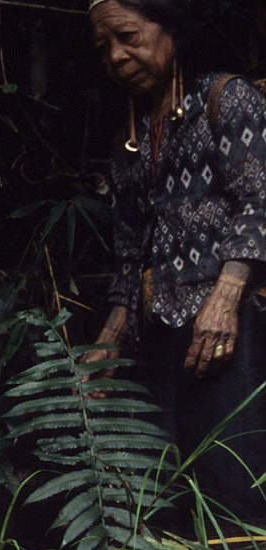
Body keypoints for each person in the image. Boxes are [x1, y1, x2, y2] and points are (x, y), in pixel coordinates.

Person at [86, 0, 266, 521]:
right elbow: (129, 250)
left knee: (238, 475)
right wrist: (108, 344)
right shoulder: (130, 135)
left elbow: (260, 203)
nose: (117, 57)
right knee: (168, 488)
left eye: (127, 36)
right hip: (161, 334)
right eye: (104, 48)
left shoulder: (226, 99)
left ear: (168, 30)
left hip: (237, 326)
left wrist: (226, 298)